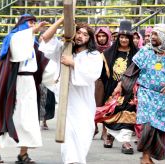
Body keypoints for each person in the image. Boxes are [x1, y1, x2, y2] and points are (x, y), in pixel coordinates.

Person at [39, 19, 103, 164]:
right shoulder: (65, 49)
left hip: (84, 102)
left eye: (85, 35)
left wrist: (73, 63)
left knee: (83, 133)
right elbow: (46, 38)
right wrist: (62, 20)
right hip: (66, 102)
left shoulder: (94, 55)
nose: (81, 36)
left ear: (89, 39)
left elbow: (92, 74)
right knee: (67, 137)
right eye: (78, 32)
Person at [0, 14, 48, 163]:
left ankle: (23, 154)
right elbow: (18, 50)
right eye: (30, 22)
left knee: (28, 118)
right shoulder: (14, 37)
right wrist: (34, 29)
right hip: (13, 82)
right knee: (7, 114)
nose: (33, 25)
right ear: (22, 24)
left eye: (34, 22)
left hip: (29, 83)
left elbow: (41, 59)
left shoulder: (33, 42)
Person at [132, 24, 165, 164]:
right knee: (148, 125)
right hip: (146, 92)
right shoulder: (145, 50)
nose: (152, 37)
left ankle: (148, 156)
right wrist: (121, 86)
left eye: (156, 34)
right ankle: (145, 157)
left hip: (163, 97)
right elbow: (133, 70)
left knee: (159, 127)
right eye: (152, 34)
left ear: (164, 37)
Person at [102, 20, 138, 154]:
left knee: (128, 115)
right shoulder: (108, 53)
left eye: (126, 37)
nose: (124, 40)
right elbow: (103, 75)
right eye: (121, 37)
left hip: (130, 89)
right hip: (112, 88)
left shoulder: (137, 54)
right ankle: (110, 136)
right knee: (112, 113)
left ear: (130, 39)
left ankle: (125, 141)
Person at [94, 27, 112, 140]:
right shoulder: (93, 50)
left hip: (109, 81)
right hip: (97, 81)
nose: (101, 38)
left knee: (107, 107)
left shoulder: (112, 49)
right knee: (95, 105)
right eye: (99, 36)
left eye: (103, 36)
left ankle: (105, 131)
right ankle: (94, 127)